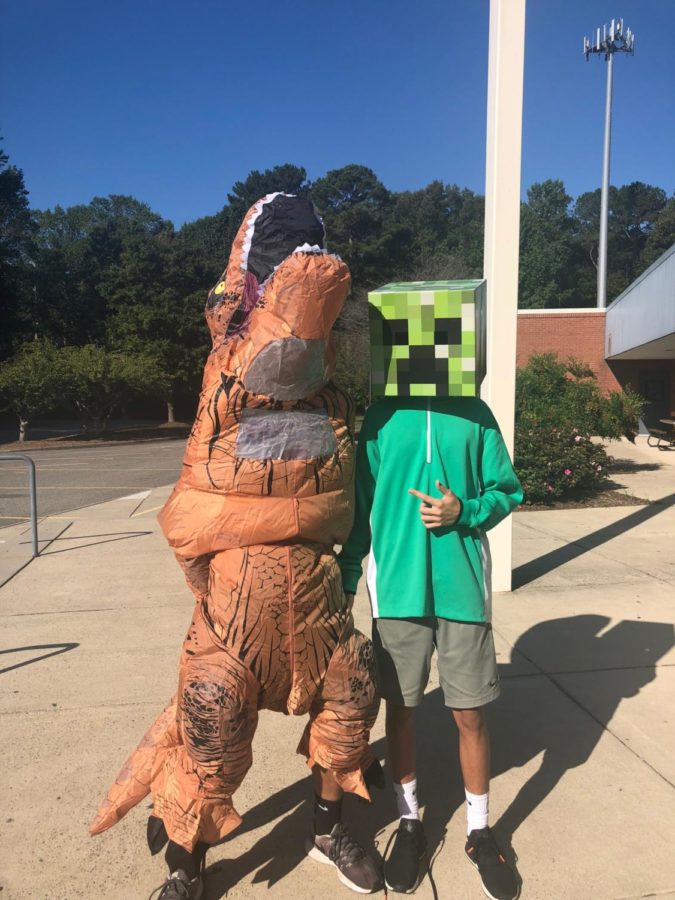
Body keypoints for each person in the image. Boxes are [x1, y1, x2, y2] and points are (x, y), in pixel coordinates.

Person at [90, 193, 383, 898]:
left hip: (314, 597)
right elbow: (195, 510)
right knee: (212, 720)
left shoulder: (337, 390)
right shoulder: (230, 364)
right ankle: (185, 866)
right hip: (236, 609)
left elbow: (342, 486)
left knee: (352, 690)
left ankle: (325, 821)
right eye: (288, 264)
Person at [338, 391, 523, 900]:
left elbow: (507, 490)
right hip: (397, 591)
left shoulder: (475, 413)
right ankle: (410, 823)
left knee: (471, 715)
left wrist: (466, 510)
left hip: (462, 589)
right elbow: (362, 505)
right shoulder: (380, 416)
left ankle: (480, 832)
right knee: (400, 711)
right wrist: (349, 573)